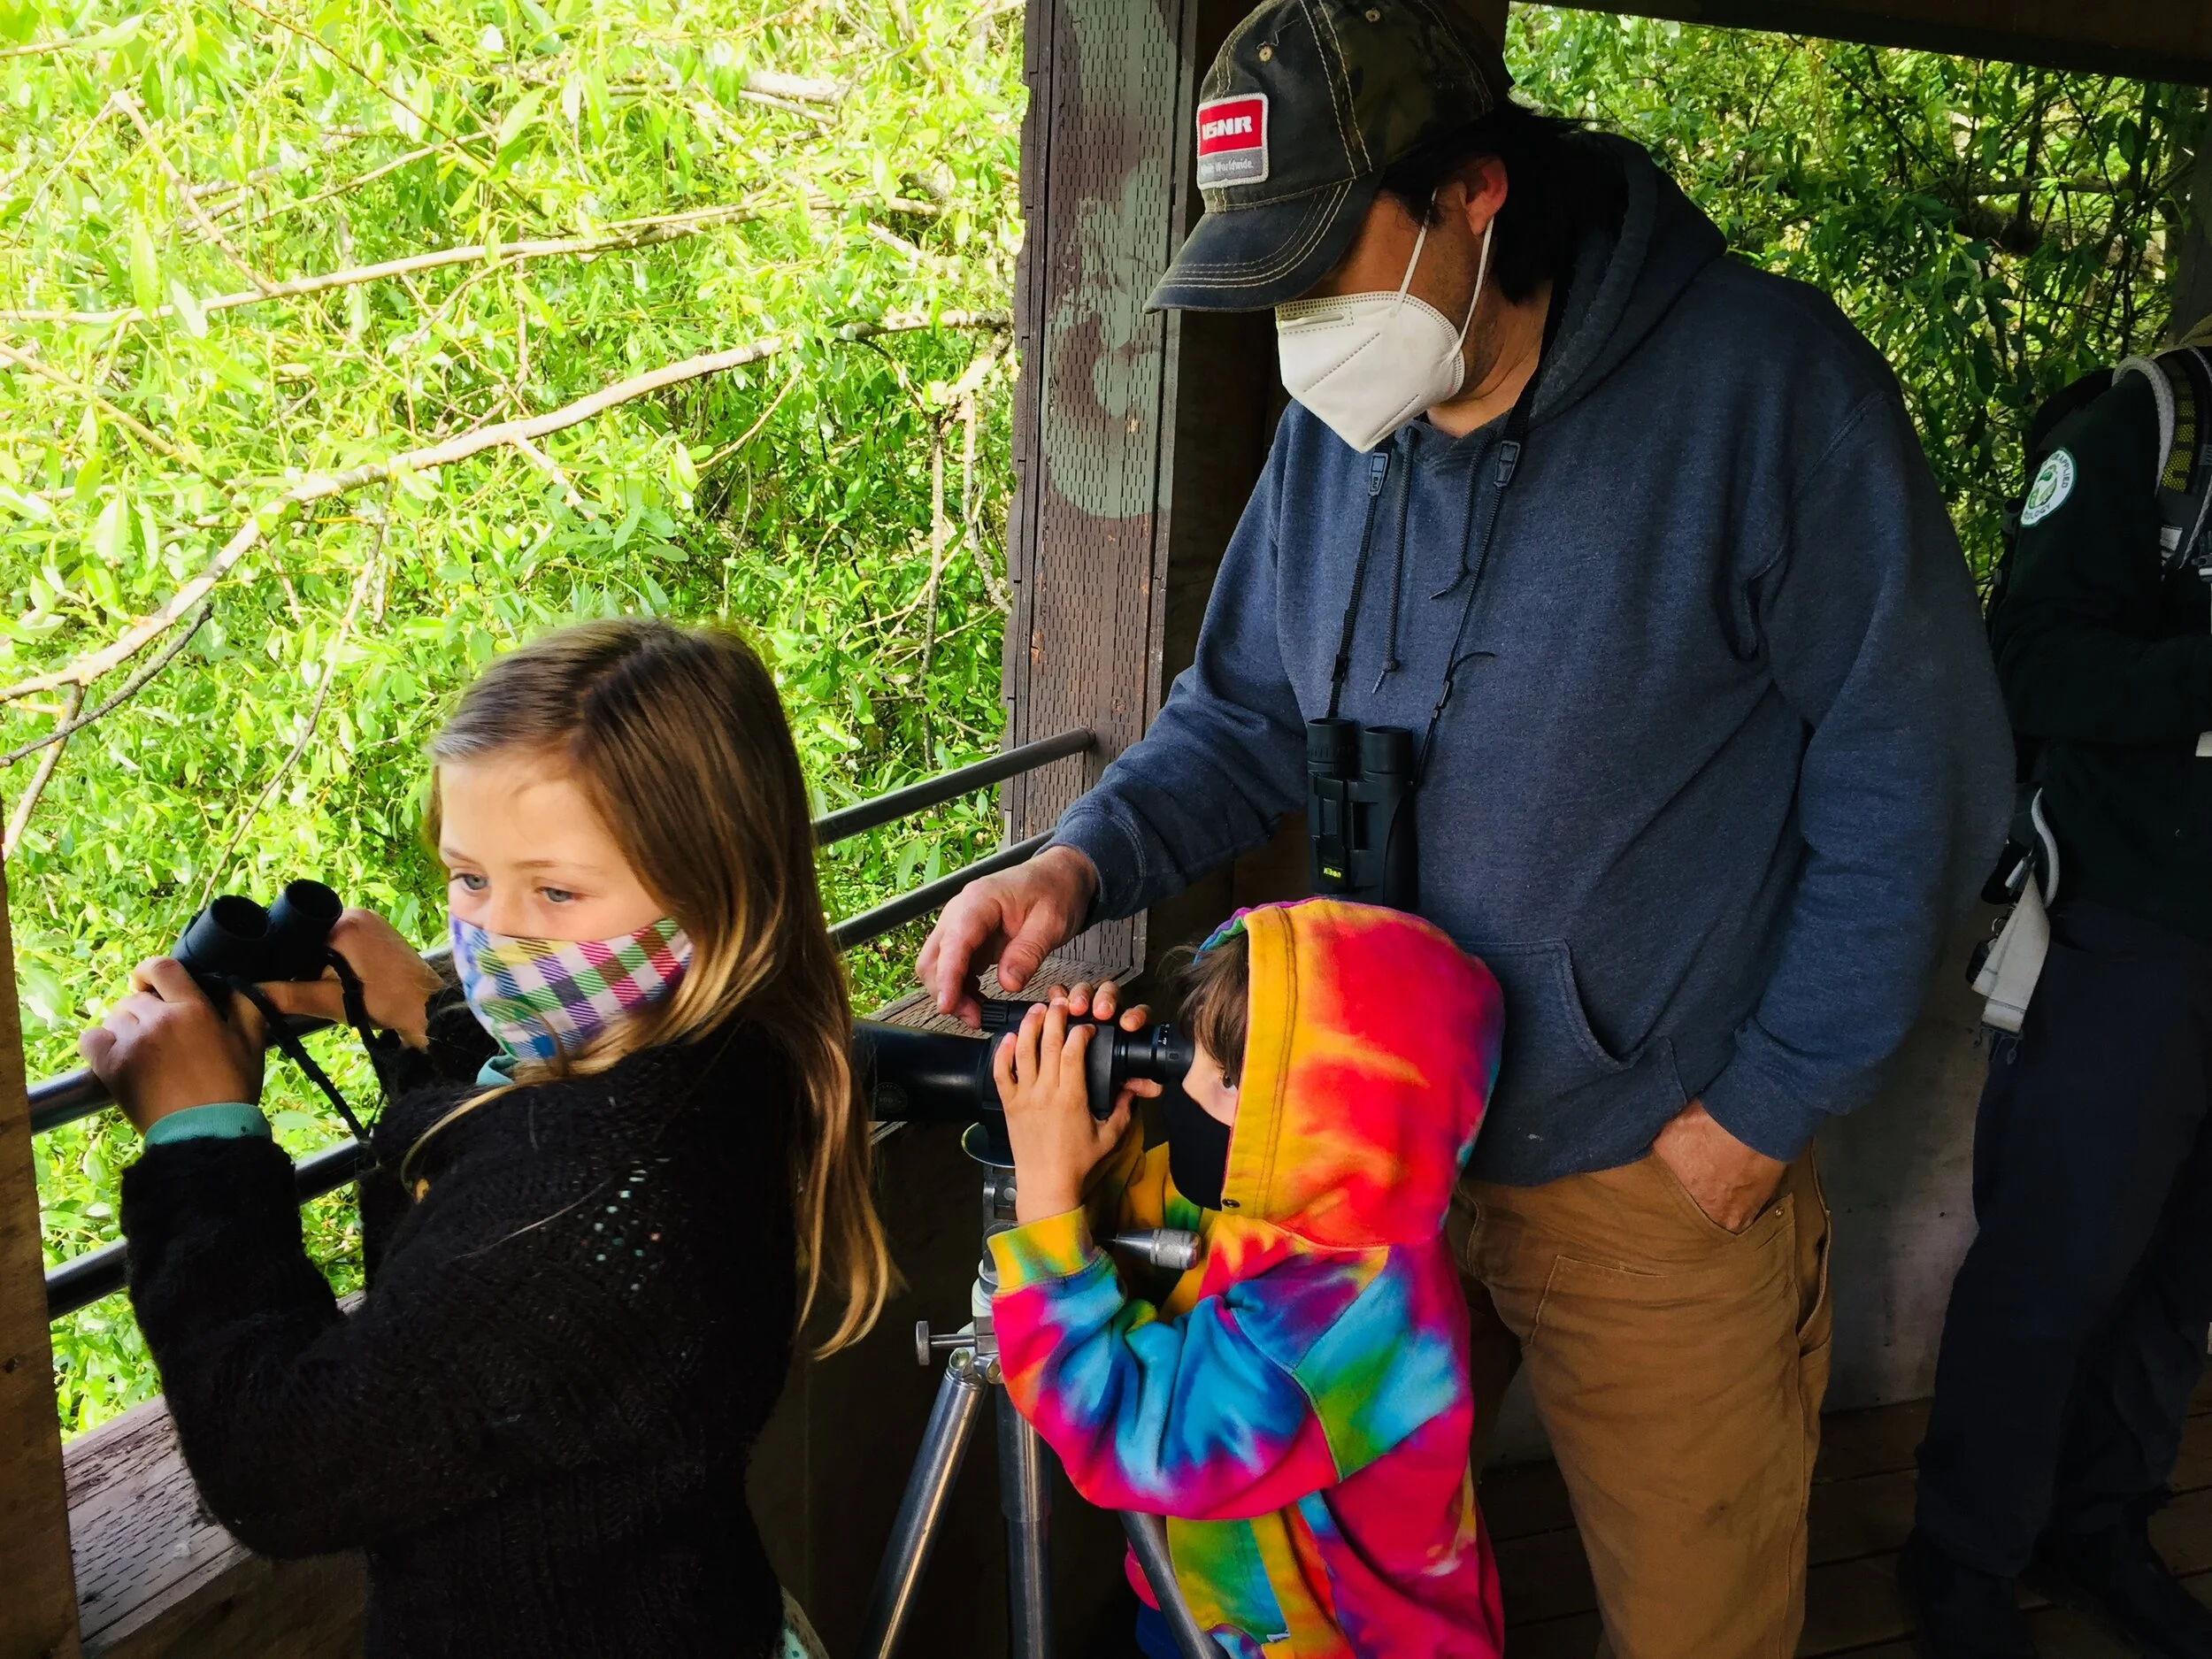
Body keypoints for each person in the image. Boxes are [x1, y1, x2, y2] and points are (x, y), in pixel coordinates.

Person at [918, 1, 2012, 1650]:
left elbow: (1915, 776)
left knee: (1695, 1612)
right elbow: (1245, 715)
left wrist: (1754, 1116)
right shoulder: (1338, 432)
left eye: (1318, 262)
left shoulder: (1770, 396)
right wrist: (1080, 863)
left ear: (1473, 198)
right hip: (1350, 1169)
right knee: (1367, 1590)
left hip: (1640, 1159)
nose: (1297, 322)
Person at [79, 619, 885, 1659]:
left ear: (716, 885)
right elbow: (523, 1207)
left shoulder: (591, 1193)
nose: (495, 933)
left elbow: (286, 1468)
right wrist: (436, 1023)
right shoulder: (729, 1051)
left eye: (554, 891)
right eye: (468, 879)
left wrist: (202, 1141)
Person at [1902, 325, 2212, 1658]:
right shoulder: (2147, 430)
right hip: (2130, 930)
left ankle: (2104, 1523)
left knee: (2182, 1275)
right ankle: (1964, 1555)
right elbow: (2025, 660)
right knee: (2055, 1262)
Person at [988, 899, 1506, 1658]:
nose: (1189, 1084)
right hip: (1206, 1599)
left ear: (1339, 1125)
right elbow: (1165, 1257)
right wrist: (1099, 1154)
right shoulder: (1295, 1195)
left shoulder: (1343, 1312)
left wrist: (1044, 1209)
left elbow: (1137, 1433)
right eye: (1192, 1047)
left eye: (1232, 1078)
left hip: (1332, 1641)